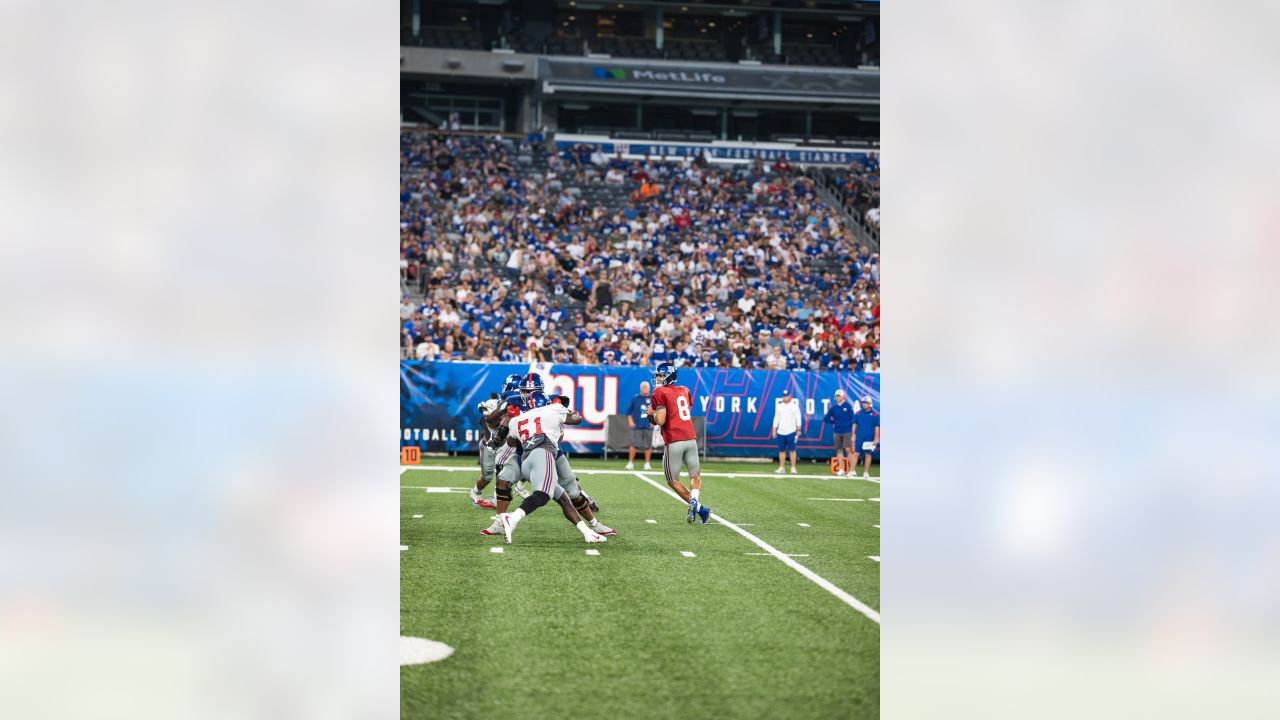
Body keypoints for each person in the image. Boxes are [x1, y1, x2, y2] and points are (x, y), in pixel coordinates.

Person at [497, 391, 609, 544]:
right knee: (543, 495)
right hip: (543, 453)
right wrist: (569, 411)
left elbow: (510, 441)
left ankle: (588, 533)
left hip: (525, 462)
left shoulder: (518, 419)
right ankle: (513, 518)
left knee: (563, 498)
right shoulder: (553, 409)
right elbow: (577, 419)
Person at [646, 363, 712, 524]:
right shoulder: (685, 390)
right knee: (695, 475)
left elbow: (660, 420)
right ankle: (699, 505)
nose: (658, 378)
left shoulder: (659, 392)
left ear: (668, 376)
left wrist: (652, 412)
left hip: (674, 440)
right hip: (690, 437)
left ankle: (696, 506)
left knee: (672, 480)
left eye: (660, 375)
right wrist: (652, 415)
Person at [822, 389, 856, 476]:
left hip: (847, 431)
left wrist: (850, 427)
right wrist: (833, 422)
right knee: (839, 450)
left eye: (839, 396)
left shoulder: (848, 406)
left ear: (843, 397)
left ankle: (852, 470)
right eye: (837, 396)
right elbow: (826, 419)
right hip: (837, 432)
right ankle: (841, 469)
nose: (838, 397)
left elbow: (854, 418)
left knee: (848, 450)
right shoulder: (833, 408)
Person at [770, 387, 803, 474]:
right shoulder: (779, 406)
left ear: (790, 397)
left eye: (786, 396)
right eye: (783, 396)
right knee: (781, 450)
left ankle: (793, 467)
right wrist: (774, 429)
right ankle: (781, 467)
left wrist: (798, 429)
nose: (785, 398)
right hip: (781, 432)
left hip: (791, 432)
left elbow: (798, 418)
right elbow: (776, 418)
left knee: (792, 450)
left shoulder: (794, 406)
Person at [624, 381, 654, 470]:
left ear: (649, 388)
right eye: (643, 387)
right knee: (633, 445)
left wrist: (654, 421)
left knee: (648, 445)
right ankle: (630, 463)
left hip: (648, 425)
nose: (644, 388)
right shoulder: (636, 398)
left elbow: (658, 411)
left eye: (646, 387)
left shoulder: (653, 398)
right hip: (637, 425)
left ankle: (647, 463)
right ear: (640, 388)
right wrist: (630, 421)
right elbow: (629, 412)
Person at [851, 395, 881, 479]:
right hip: (859, 437)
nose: (864, 404)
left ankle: (866, 472)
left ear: (870, 403)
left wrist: (876, 438)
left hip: (869, 438)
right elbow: (854, 424)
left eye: (866, 403)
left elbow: (876, 427)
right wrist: (853, 435)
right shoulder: (858, 413)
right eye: (863, 403)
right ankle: (852, 471)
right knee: (856, 453)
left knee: (868, 454)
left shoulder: (875, 415)